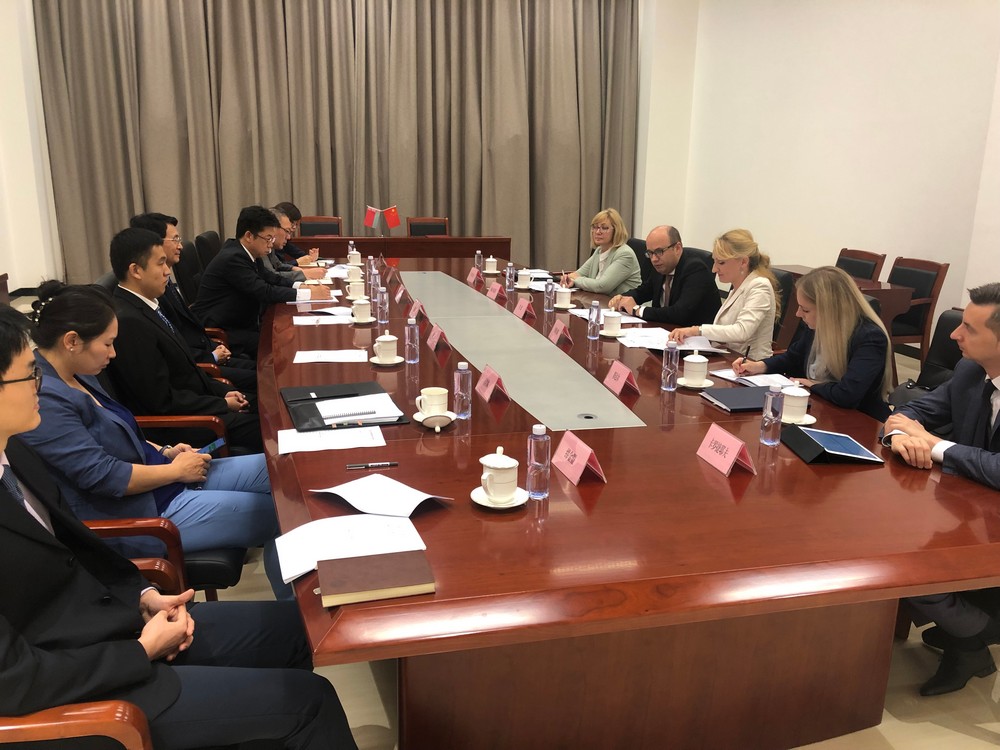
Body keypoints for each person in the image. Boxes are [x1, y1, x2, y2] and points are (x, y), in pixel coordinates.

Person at [0, 304, 358, 750]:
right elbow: (14, 680)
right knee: (310, 701)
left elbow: (81, 551)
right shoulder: (35, 432)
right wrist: (141, 650)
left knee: (298, 630)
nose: (41, 383)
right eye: (29, 374)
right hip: (91, 687)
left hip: (118, 624)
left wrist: (143, 595)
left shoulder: (15, 456)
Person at [21, 282, 288, 598]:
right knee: (285, 515)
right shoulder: (46, 399)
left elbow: (121, 430)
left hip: (162, 478)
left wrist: (166, 450)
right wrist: (175, 471)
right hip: (141, 512)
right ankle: (300, 618)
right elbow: (103, 475)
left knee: (282, 467)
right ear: (72, 341)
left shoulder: (76, 371)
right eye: (107, 344)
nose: (113, 353)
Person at [880, 283, 1000, 696]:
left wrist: (935, 445)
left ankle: (973, 637)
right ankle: (965, 634)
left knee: (913, 568)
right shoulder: (971, 372)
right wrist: (901, 435)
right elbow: (912, 411)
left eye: (969, 328)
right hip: (969, 506)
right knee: (885, 542)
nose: (954, 334)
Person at [105, 227, 264, 454]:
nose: (167, 271)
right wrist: (221, 404)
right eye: (160, 263)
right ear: (136, 270)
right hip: (186, 428)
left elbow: (187, 371)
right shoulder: (129, 322)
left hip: (200, 404)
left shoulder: (149, 305)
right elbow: (161, 401)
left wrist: (222, 392)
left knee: (269, 404)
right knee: (273, 426)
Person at [733, 266, 891, 420]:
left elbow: (847, 394)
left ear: (829, 310)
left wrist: (812, 384)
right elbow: (792, 358)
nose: (798, 314)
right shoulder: (816, 326)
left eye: (805, 310)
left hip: (860, 421)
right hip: (818, 409)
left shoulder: (870, 338)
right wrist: (759, 366)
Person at [129, 211, 257, 390]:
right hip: (198, 367)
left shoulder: (166, 284)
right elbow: (175, 347)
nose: (180, 246)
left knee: (265, 370)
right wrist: (212, 356)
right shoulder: (152, 294)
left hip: (205, 351)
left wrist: (214, 348)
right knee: (263, 378)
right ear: (154, 243)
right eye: (175, 240)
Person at [192, 205, 331, 358]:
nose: (271, 244)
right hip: (224, 330)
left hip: (243, 322)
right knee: (282, 345)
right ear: (249, 236)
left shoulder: (248, 253)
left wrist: (302, 286)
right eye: (268, 238)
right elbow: (264, 291)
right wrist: (309, 294)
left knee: (287, 336)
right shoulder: (233, 258)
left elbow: (271, 278)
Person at [669, 228, 779, 360]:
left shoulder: (760, 286)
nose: (714, 269)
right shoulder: (738, 287)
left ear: (743, 262)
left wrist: (696, 330)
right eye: (714, 261)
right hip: (729, 359)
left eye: (721, 262)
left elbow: (742, 331)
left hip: (751, 364)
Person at [608, 224, 721, 324]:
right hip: (665, 330)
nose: (654, 259)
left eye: (659, 251)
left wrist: (637, 310)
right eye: (650, 253)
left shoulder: (695, 269)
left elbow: (679, 313)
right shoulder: (661, 265)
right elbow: (644, 291)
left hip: (695, 336)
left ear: (677, 248)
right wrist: (622, 298)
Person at [560, 208, 642, 297]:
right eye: (595, 227)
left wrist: (576, 280)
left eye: (604, 228)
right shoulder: (599, 250)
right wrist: (568, 278)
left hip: (624, 304)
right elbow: (577, 274)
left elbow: (602, 286)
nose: (598, 232)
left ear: (616, 230)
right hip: (602, 301)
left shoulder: (625, 254)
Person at [274, 200, 320, 265]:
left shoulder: (284, 240)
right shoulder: (271, 243)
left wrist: (311, 257)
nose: (294, 227)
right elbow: (277, 268)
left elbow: (298, 254)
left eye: (296, 224)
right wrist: (297, 262)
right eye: (293, 223)